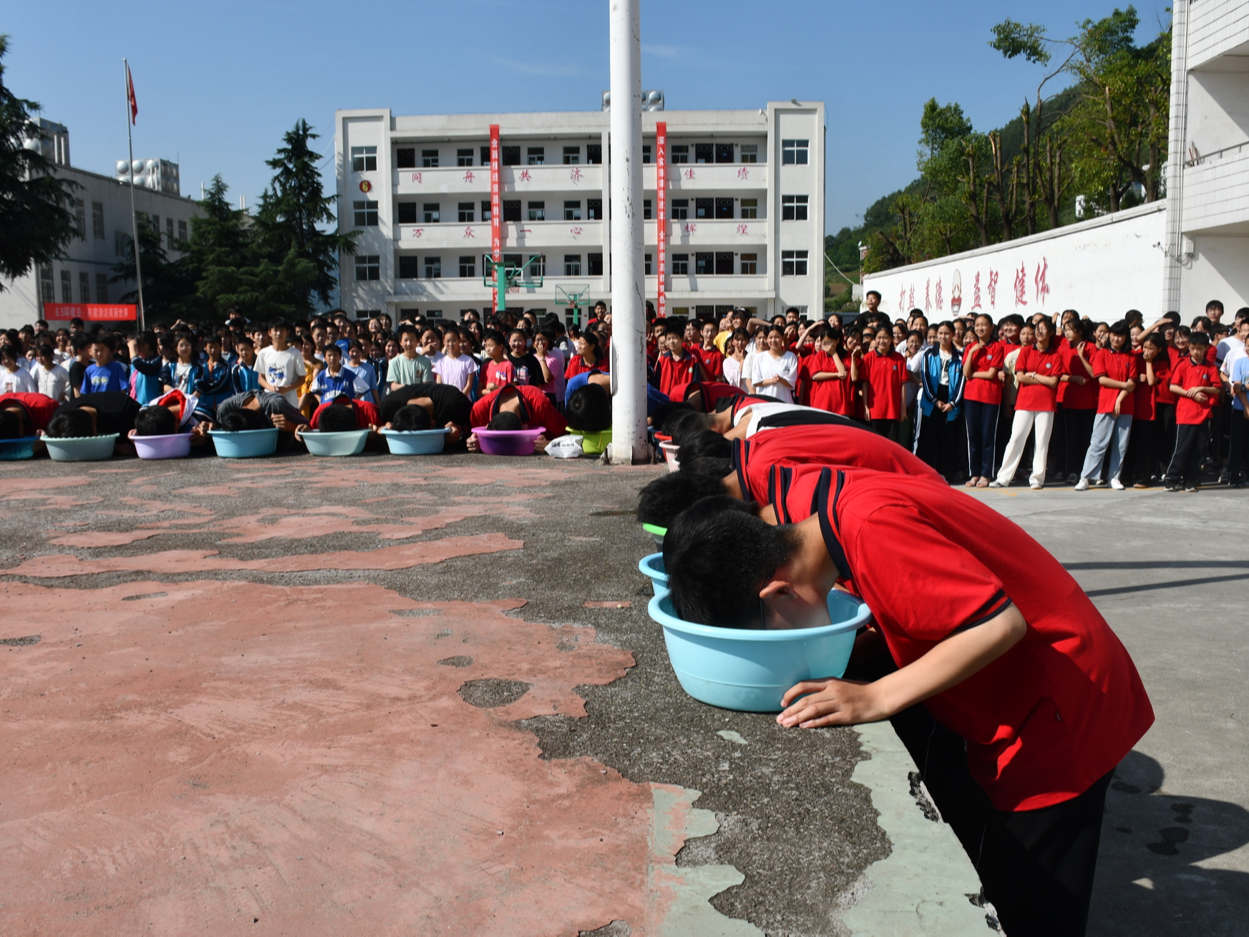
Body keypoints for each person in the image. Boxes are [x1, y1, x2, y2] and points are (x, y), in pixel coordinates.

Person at [661, 476, 1153, 937]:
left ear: (780, 592)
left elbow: (1000, 625)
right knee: (998, 871)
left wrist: (873, 696)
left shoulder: (873, 528)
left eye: (770, 639)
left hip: (1061, 709)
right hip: (1023, 703)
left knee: (1032, 904)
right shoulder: (840, 520)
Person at [992, 318, 1064, 490]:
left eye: (1043, 329)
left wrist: (1033, 375)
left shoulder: (1055, 356)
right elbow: (1020, 376)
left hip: (1046, 404)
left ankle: (1037, 478)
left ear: (1052, 333)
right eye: (1037, 329)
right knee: (1016, 438)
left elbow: (1053, 383)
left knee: (1042, 441)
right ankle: (1003, 477)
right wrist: (1039, 377)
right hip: (1024, 402)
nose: (1039, 332)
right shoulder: (1025, 352)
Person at [1075, 321, 1139, 491]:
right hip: (1105, 404)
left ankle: (1114, 477)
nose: (1116, 338)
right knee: (1098, 442)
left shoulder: (1131, 356)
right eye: (1113, 334)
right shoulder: (1102, 354)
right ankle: (1086, 477)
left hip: (1125, 405)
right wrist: (1124, 386)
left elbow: (1132, 383)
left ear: (1125, 337)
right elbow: (1102, 379)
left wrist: (1119, 399)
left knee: (1120, 445)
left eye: (1120, 335)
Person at [1164, 331, 1221, 491]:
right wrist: (1192, 394)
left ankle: (1191, 480)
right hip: (1185, 414)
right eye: (1193, 348)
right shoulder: (1183, 365)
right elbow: (1173, 386)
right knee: (1182, 448)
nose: (1196, 352)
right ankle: (1172, 478)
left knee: (1199, 450)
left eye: (1200, 348)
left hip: (1203, 415)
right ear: (1189, 347)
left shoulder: (1210, 367)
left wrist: (1202, 388)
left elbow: (1217, 388)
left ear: (1205, 349)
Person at [914, 322, 966, 482]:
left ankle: (946, 473)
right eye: (940, 334)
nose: (943, 337)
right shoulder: (929, 354)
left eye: (947, 333)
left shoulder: (959, 356)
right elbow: (926, 378)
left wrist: (953, 403)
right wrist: (935, 400)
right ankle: (925, 473)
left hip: (950, 399)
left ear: (953, 335)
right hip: (932, 399)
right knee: (928, 437)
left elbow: (961, 382)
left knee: (948, 438)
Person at [961, 314, 1003, 487]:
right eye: (977, 325)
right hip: (971, 396)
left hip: (991, 396)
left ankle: (987, 474)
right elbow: (965, 373)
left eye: (984, 325)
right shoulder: (970, 346)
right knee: (973, 436)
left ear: (991, 327)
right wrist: (971, 352)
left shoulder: (997, 347)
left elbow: (991, 374)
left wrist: (973, 375)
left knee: (987, 436)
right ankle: (975, 473)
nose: (980, 328)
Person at [855, 326, 910, 445]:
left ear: (891, 339)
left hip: (893, 410)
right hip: (874, 410)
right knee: (874, 444)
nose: (882, 341)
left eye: (885, 338)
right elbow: (864, 384)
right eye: (879, 337)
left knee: (892, 445)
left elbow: (903, 385)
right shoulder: (868, 358)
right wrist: (865, 407)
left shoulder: (899, 359)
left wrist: (902, 407)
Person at [378, 382, 472, 449]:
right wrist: (383, 429)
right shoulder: (388, 406)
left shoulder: (456, 403)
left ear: (433, 423)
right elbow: (376, 427)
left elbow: (478, 425)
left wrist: (461, 429)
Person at [253, 318, 305, 407]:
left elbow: (302, 379)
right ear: (269, 333)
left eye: (282, 331)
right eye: (276, 330)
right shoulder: (263, 353)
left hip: (290, 402)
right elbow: (260, 378)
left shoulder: (295, 353)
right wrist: (270, 388)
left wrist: (285, 389)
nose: (278, 333)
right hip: (269, 399)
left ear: (287, 333)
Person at [749, 326, 799, 404]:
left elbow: (792, 383)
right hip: (764, 403)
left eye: (777, 337)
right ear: (767, 339)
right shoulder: (760, 357)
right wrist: (771, 380)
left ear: (783, 338)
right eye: (770, 337)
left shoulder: (791, 357)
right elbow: (755, 382)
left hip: (784, 402)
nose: (773, 340)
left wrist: (780, 379)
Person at [655, 323, 702, 400]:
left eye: (675, 338)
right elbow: (656, 384)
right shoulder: (662, 360)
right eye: (669, 339)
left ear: (682, 339)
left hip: (685, 401)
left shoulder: (692, 360)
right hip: (665, 402)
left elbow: (696, 385)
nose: (672, 341)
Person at [432, 326, 480, 398]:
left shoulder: (468, 361)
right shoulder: (441, 362)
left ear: (459, 340)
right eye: (448, 341)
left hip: (463, 401)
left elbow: (469, 385)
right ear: (444, 342)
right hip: (445, 401)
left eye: (454, 340)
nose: (451, 344)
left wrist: (458, 398)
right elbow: (439, 385)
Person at [388, 324, 434, 390]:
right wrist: (410, 388)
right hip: (400, 399)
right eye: (406, 340)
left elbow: (426, 386)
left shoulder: (425, 362)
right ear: (400, 342)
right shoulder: (394, 362)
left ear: (418, 341)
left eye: (412, 340)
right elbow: (393, 386)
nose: (409, 343)